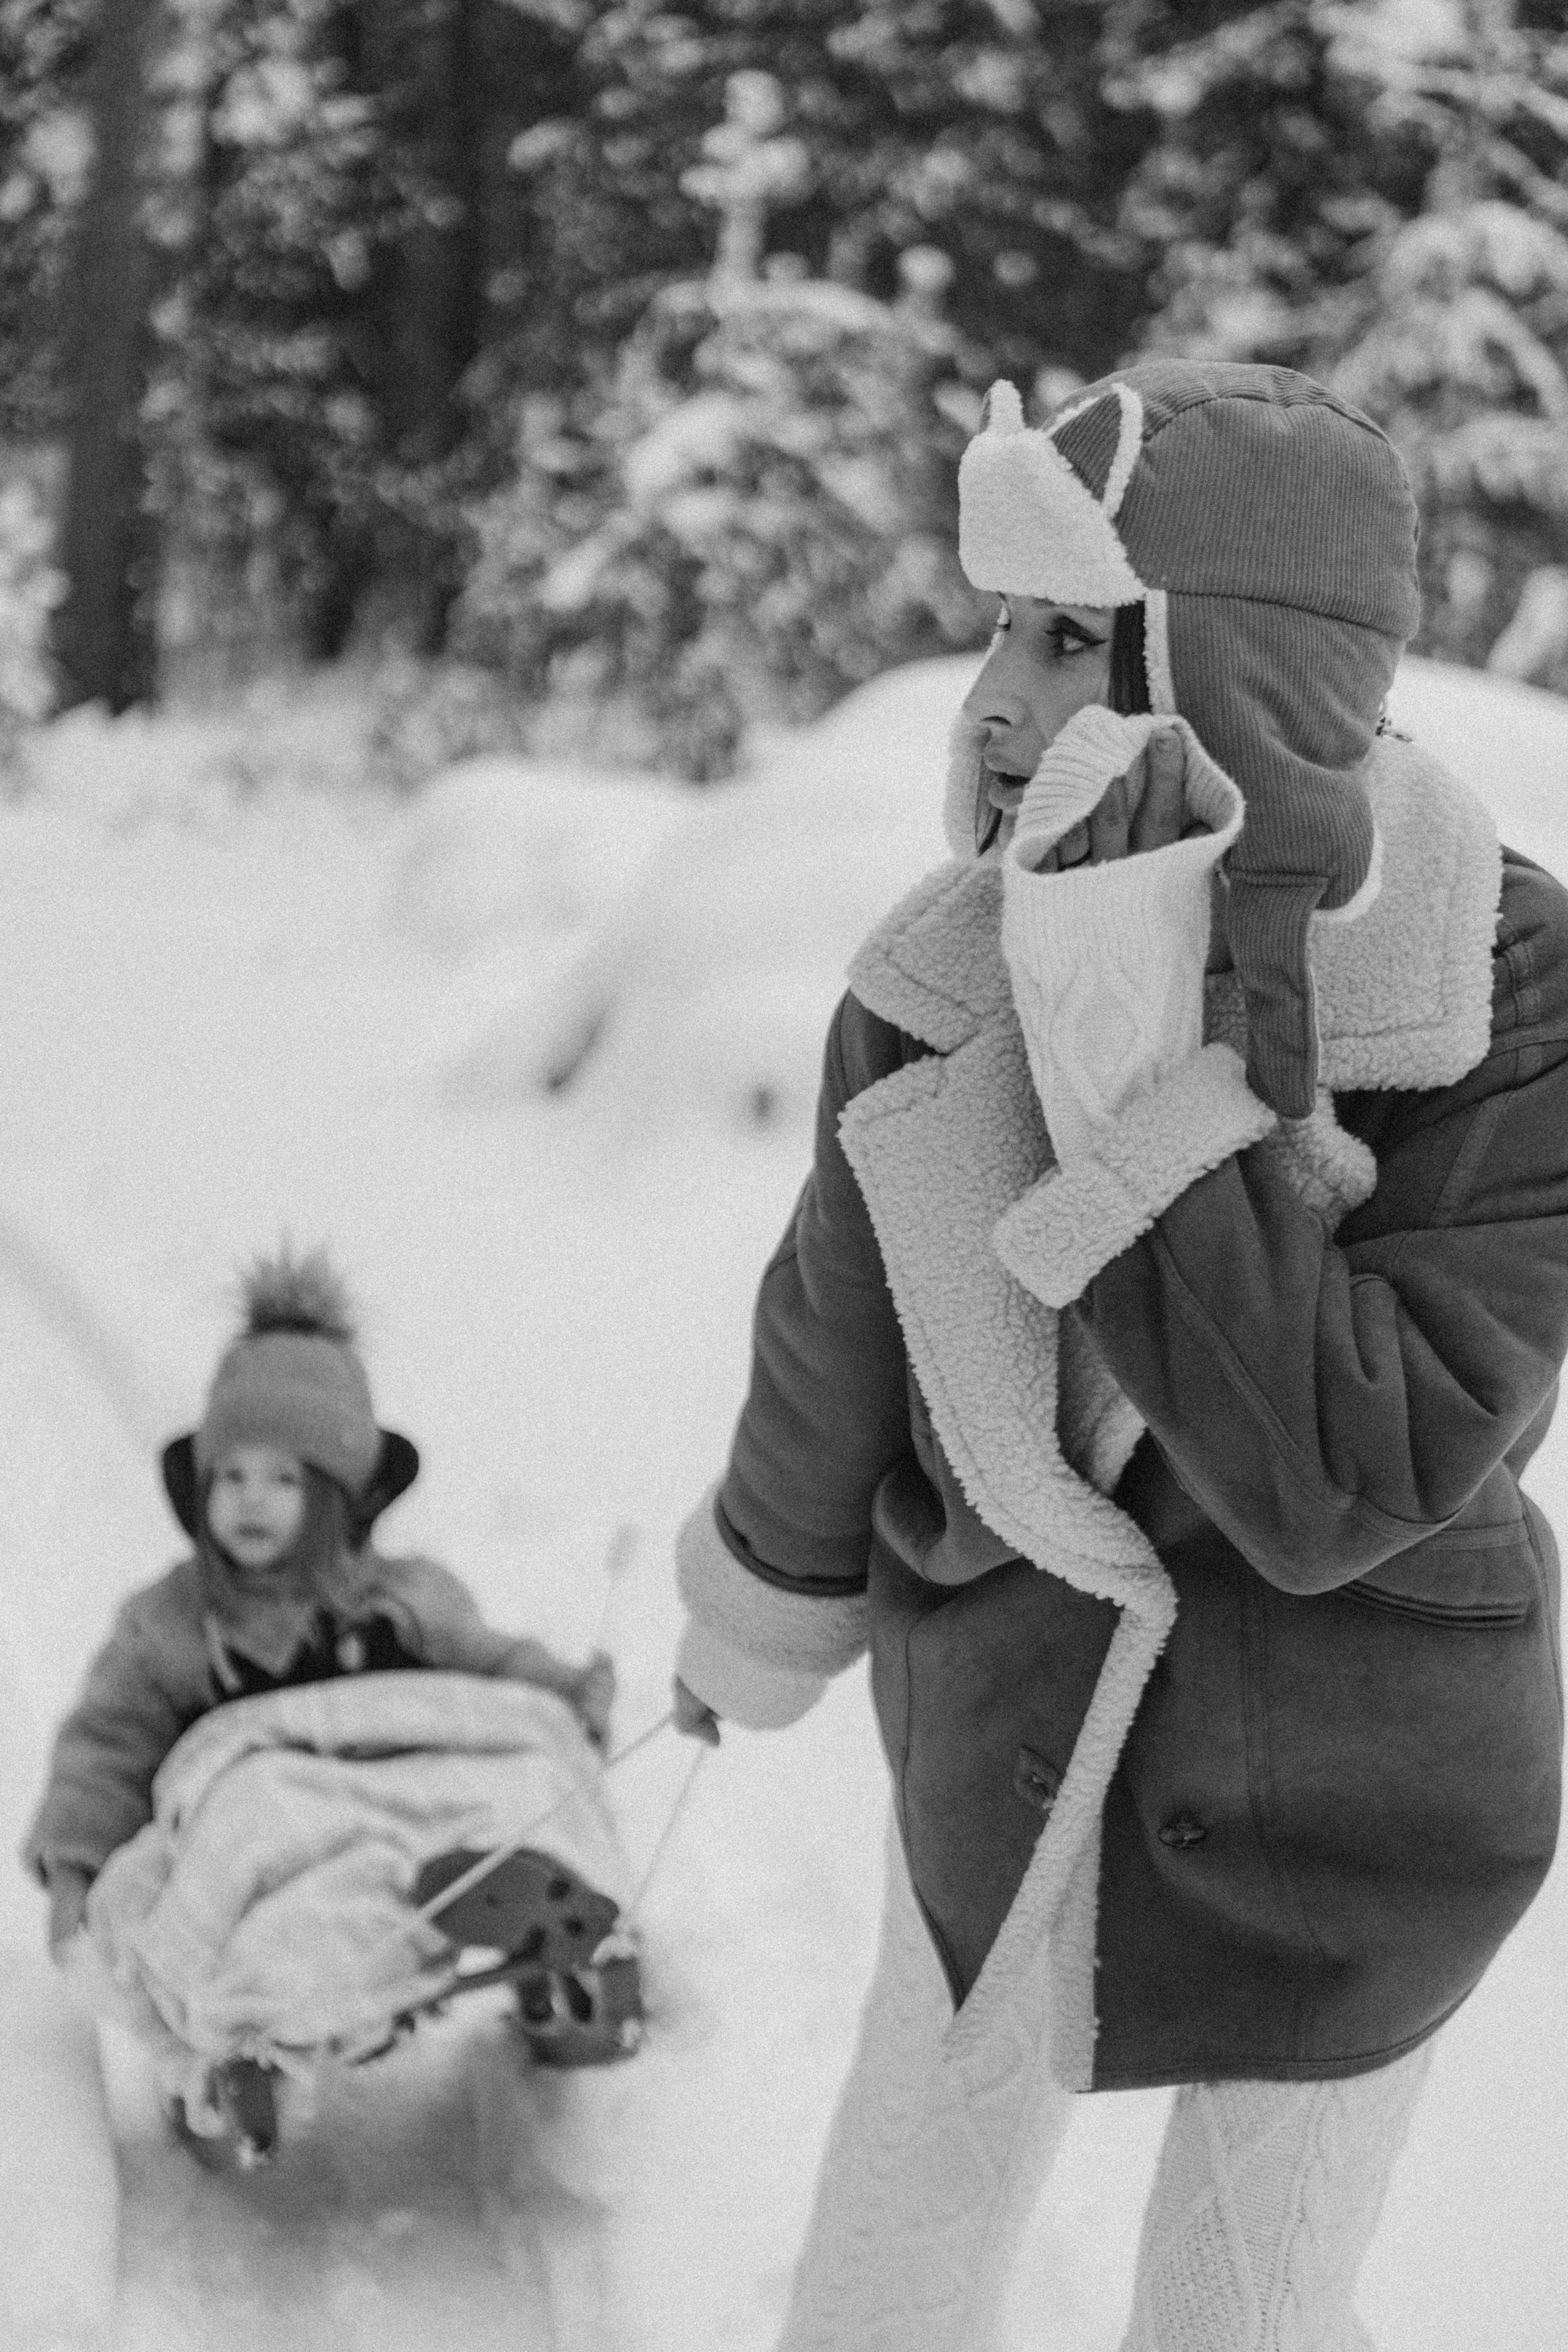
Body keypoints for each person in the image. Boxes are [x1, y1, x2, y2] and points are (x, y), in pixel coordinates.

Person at [669, 360, 1568, 2350]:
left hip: (1366, 1795)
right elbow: (839, 1336)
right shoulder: (933, 973)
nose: (994, 700)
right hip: (1012, 1714)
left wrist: (1135, 1072)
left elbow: (1353, 1470)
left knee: (1237, 2318)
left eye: (1073, 641)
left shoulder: (1506, 1003)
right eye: (993, 628)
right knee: (888, 2259)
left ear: (1237, 679)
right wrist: (755, 1617)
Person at [26, 1247, 614, 1964]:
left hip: (389, 1832)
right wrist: (77, 1870)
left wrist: (563, 1693)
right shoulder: (172, 1623)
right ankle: (240, 2007)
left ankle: (541, 1926)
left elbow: (488, 1671)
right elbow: (107, 1749)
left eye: (284, 1479)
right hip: (253, 1865)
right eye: (231, 1475)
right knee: (229, 1839)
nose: (250, 1498)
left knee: (506, 1775)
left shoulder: (401, 1598)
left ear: (335, 1497)